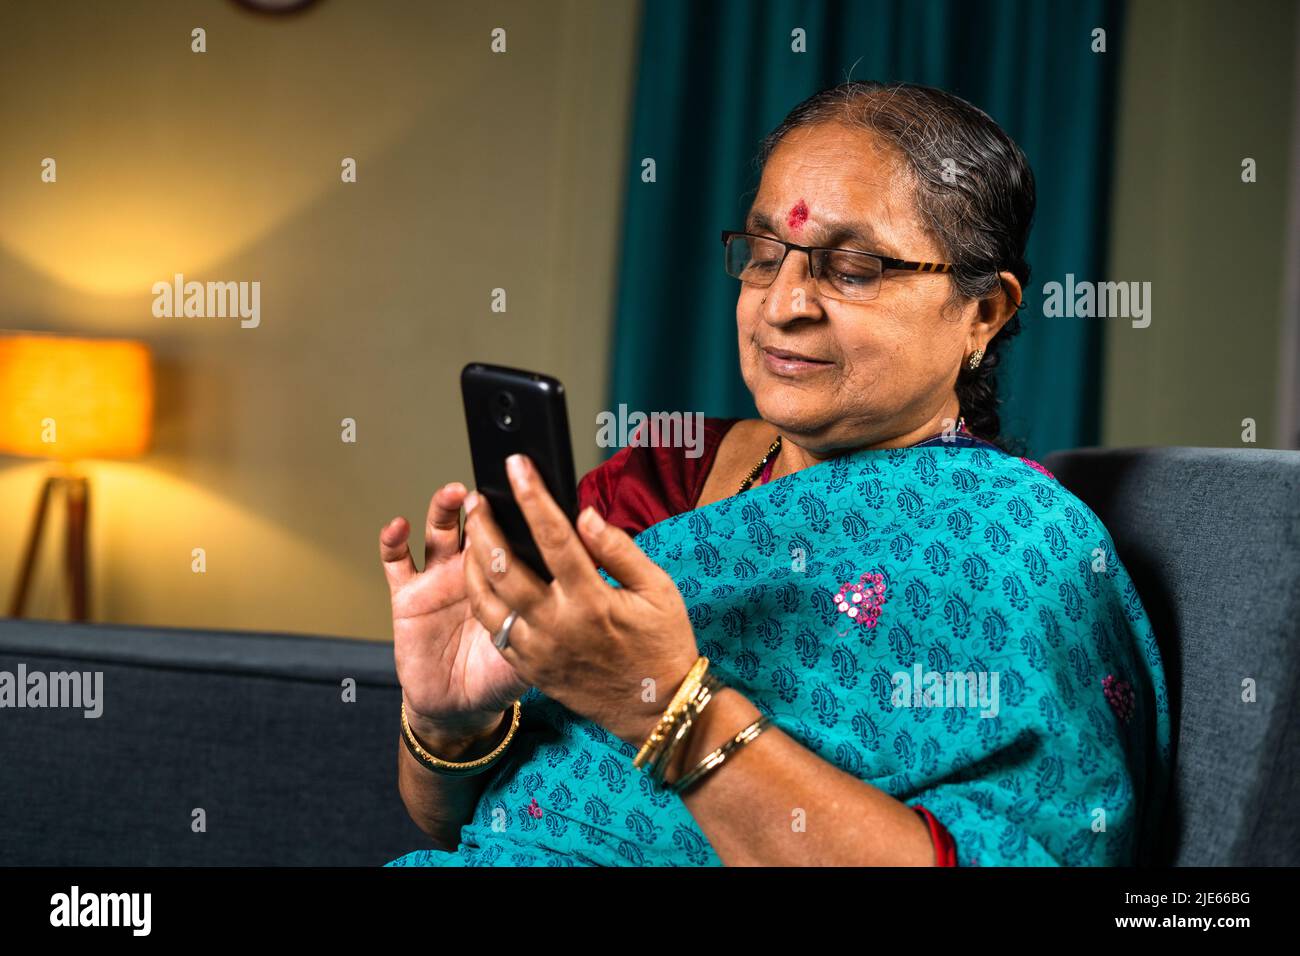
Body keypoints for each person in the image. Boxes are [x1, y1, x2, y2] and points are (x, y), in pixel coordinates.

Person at [379, 80, 1170, 866]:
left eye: (852, 268)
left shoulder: (1015, 549)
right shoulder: (656, 483)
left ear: (984, 313)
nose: (782, 304)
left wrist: (669, 711)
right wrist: (447, 721)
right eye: (763, 257)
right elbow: (464, 826)